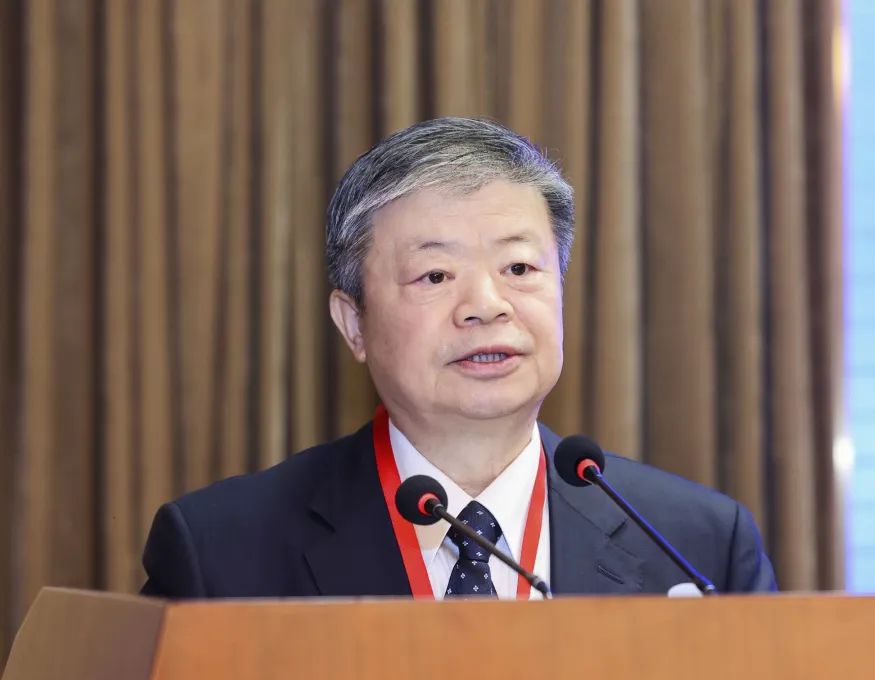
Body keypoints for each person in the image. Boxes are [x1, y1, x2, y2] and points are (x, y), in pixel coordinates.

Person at [140, 117, 776, 599]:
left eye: (519, 268)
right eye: (435, 275)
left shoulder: (698, 546)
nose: (486, 306)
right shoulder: (221, 555)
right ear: (353, 323)